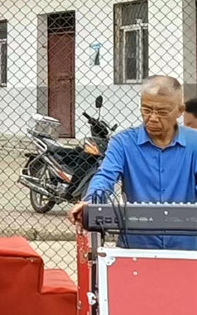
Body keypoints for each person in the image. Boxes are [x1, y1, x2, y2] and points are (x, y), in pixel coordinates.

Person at [71, 75, 197, 251]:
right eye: (146, 110)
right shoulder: (123, 143)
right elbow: (106, 176)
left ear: (180, 111)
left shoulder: (194, 143)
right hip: (136, 247)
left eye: (162, 112)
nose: (152, 118)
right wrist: (92, 202)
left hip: (188, 249)